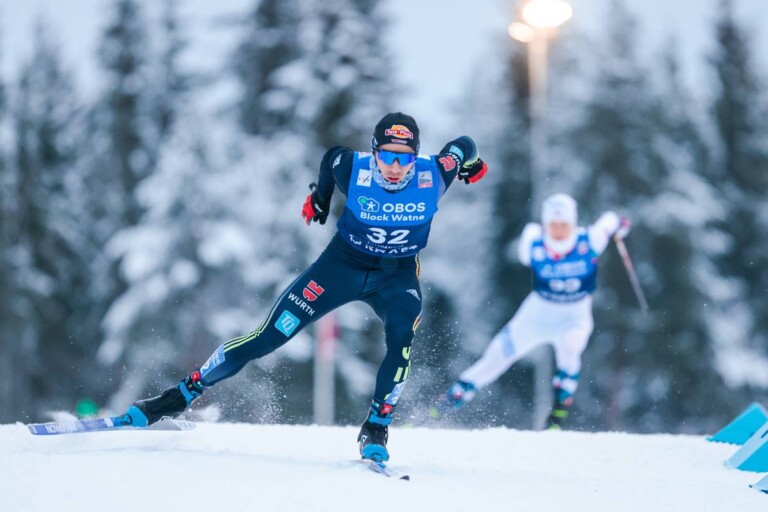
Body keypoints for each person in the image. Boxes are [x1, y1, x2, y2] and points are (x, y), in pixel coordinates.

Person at [116, 112, 488, 462]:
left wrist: (470, 164)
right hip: (342, 266)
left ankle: (376, 427)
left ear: (416, 158)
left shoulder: (436, 173)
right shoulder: (353, 167)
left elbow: (465, 143)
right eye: (388, 157)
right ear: (374, 154)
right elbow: (331, 159)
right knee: (270, 336)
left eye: (405, 159)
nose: (395, 168)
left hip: (397, 276)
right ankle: (179, 395)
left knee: (402, 339)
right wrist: (320, 198)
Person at [442, 193, 630, 429]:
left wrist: (620, 225)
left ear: (573, 223)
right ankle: (444, 405)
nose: (559, 231)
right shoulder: (534, 242)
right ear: (545, 224)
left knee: (571, 347)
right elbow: (524, 251)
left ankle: (556, 418)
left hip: (574, 316)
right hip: (537, 314)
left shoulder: (589, 241)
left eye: (564, 225)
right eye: (553, 225)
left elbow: (609, 221)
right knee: (495, 358)